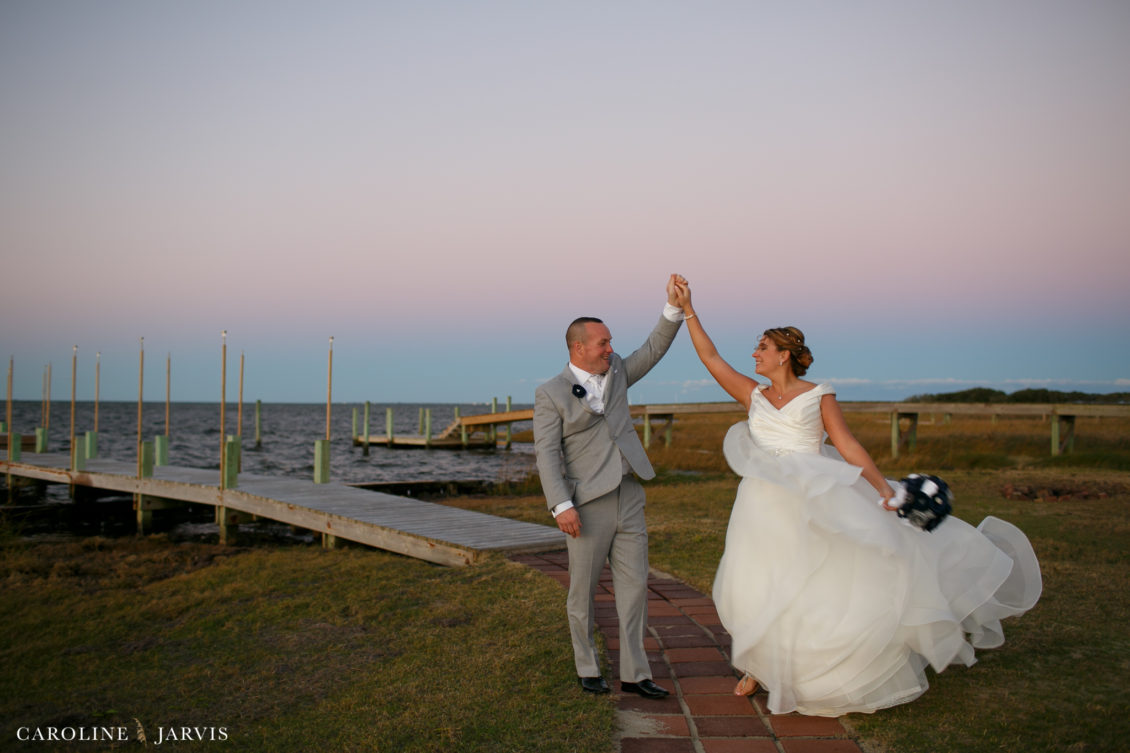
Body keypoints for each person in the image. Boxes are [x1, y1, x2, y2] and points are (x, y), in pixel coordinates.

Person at [671, 278, 1042, 716]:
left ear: (784, 355)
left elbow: (846, 445)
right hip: (760, 504)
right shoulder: (752, 396)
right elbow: (710, 357)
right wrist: (688, 310)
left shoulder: (818, 395)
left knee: (810, 582)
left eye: (762, 347)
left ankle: (806, 669)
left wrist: (886, 490)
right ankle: (760, 665)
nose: (755, 354)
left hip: (811, 500)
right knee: (755, 584)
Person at [533, 274, 686, 698]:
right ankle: (587, 667)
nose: (610, 349)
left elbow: (652, 349)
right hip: (586, 504)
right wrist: (560, 505)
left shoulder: (618, 371)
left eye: (611, 342)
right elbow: (546, 454)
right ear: (578, 347)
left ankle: (635, 674)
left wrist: (672, 308)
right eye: (603, 343)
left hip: (629, 494)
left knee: (635, 587)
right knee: (581, 592)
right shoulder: (550, 393)